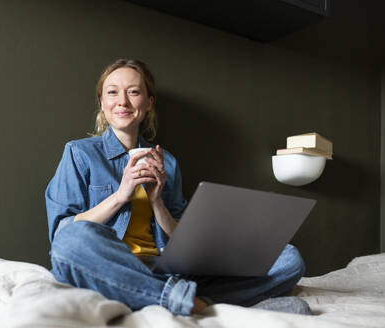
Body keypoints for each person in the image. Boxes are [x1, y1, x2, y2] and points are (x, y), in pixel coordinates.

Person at [45, 59, 309, 316]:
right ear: (102, 103)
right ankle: (189, 302)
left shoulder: (166, 162)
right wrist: (120, 195)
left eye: (133, 92)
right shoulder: (79, 153)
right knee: (70, 243)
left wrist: (157, 202)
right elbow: (62, 232)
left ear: (148, 103)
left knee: (288, 258)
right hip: (112, 268)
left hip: (166, 270)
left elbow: (182, 240)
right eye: (112, 93)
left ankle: (185, 298)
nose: (122, 102)